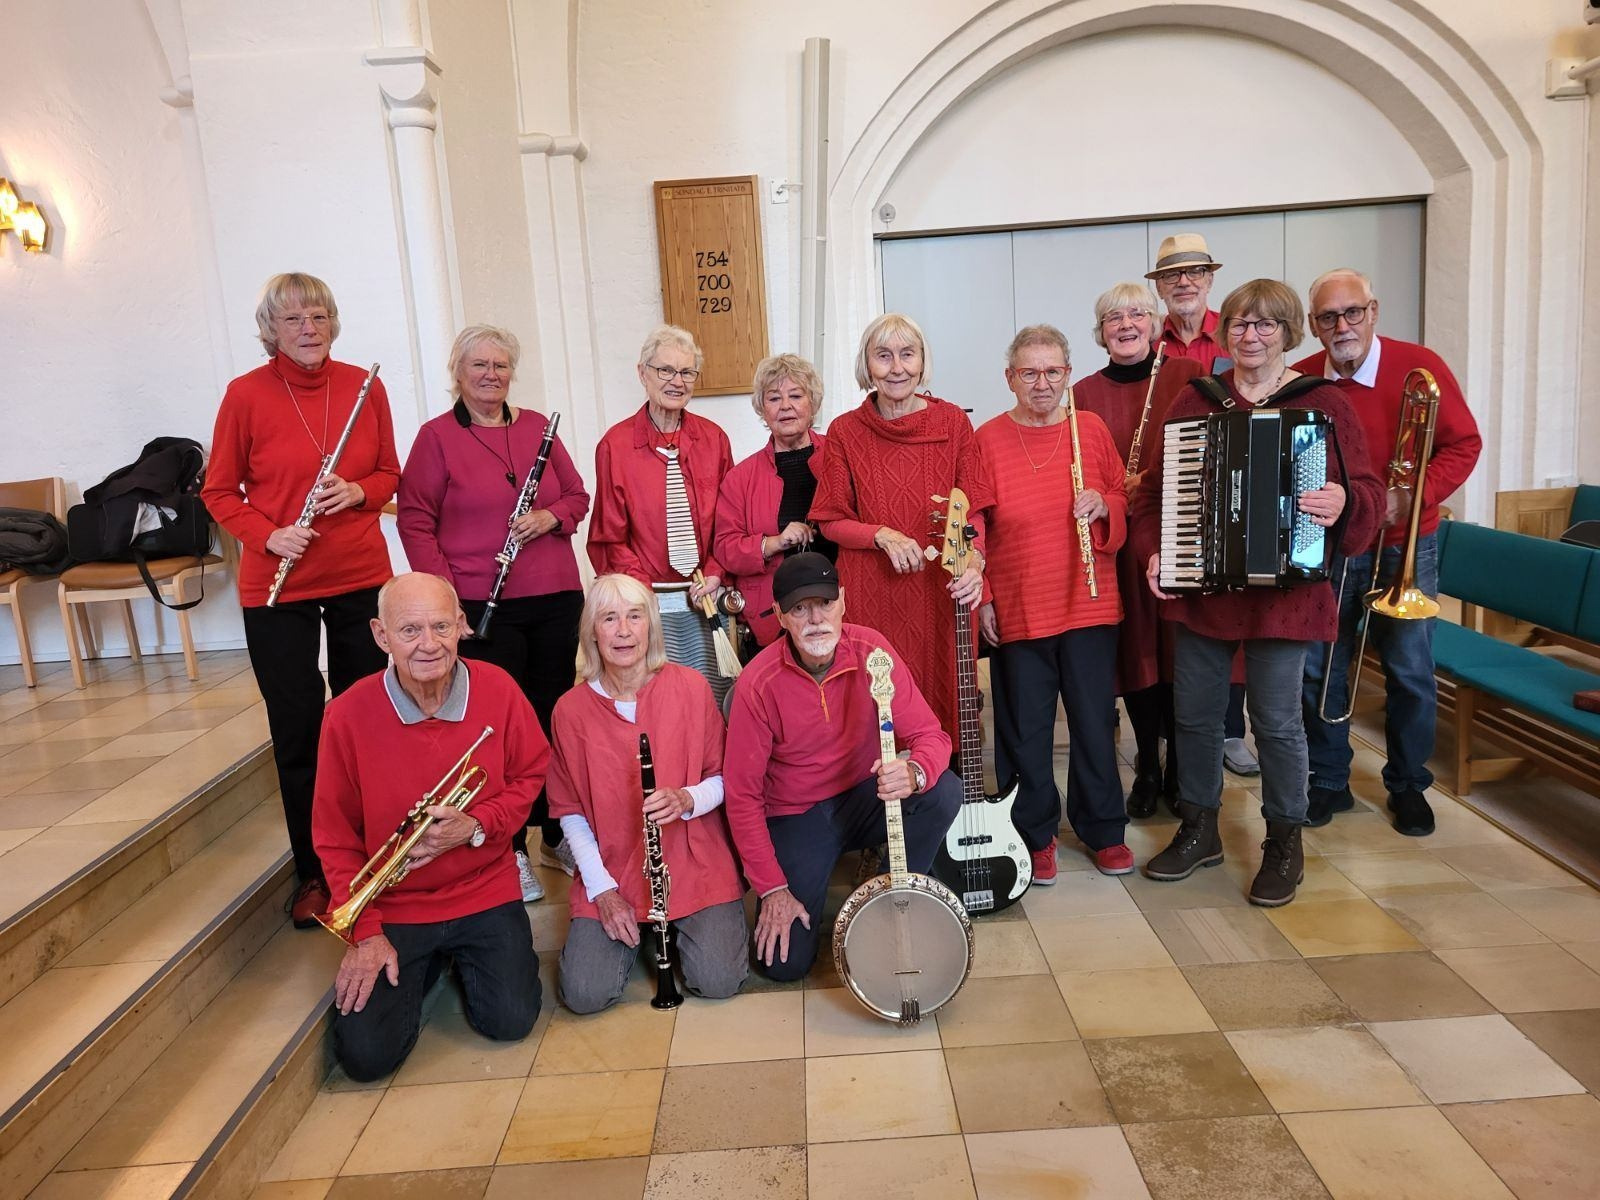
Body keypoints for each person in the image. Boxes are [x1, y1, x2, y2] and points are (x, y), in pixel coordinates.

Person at [1131, 279, 1384, 906]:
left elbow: (1371, 491)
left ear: (1288, 332)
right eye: (1241, 324)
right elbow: (1153, 495)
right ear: (1226, 332)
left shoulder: (1321, 402)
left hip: (1285, 594)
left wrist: (1344, 500)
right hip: (1204, 589)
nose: (1251, 336)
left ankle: (1283, 839)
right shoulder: (1196, 402)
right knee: (1193, 717)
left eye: (1266, 325)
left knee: (1275, 722)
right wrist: (1156, 550)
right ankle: (1199, 830)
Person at [203, 272, 398, 928]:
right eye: (293, 320)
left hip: (358, 574)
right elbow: (218, 491)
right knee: (299, 732)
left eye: (317, 316)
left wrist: (360, 492)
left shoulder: (363, 387)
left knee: (368, 722)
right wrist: (268, 534)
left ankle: (374, 858)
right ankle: (314, 871)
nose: (308, 328)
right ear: (271, 330)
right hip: (277, 583)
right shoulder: (245, 395)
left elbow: (390, 471)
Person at [312, 572, 547, 1081]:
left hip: (483, 889)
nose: (428, 644)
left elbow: (532, 772)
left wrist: (477, 825)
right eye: (410, 630)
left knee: (510, 1021)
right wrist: (366, 932)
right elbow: (333, 837)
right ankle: (434, 960)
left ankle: (448, 958)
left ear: (462, 625)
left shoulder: (499, 690)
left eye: (441, 625)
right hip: (395, 905)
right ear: (380, 636)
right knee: (365, 1058)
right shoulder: (346, 714)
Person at [397, 324, 590, 901]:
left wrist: (549, 518)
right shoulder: (436, 438)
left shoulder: (537, 428)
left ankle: (558, 834)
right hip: (483, 606)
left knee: (556, 713)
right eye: (479, 365)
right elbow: (415, 520)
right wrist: (446, 600)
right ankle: (506, 849)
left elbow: (577, 496)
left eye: (501, 365)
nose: (491, 375)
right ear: (458, 373)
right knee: (500, 728)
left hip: (555, 595)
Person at [1295, 269, 1482, 835]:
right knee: (1321, 669)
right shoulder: (1302, 378)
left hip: (1405, 546)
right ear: (1313, 326)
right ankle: (1328, 779)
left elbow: (1463, 443)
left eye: (1353, 312)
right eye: (1329, 317)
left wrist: (1410, 495)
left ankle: (1407, 784)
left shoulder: (1418, 368)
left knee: (1410, 672)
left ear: (1373, 311)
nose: (1342, 326)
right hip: (1330, 549)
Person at [724, 553, 962, 981]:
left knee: (943, 789)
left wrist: (914, 772)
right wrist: (772, 888)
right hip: (796, 816)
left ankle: (890, 899)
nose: (816, 619)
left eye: (825, 603)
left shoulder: (873, 652)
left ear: (844, 602)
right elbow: (742, 797)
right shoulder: (757, 684)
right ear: (779, 614)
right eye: (799, 608)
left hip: (863, 795)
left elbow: (932, 736)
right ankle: (807, 891)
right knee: (783, 965)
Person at [973, 325, 1132, 882]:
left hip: (1088, 603)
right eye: (1029, 372)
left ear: (1068, 374)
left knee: (1093, 724)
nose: (1042, 383)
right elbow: (972, 527)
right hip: (1018, 603)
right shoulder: (986, 438)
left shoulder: (1090, 429)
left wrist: (1105, 503)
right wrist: (984, 598)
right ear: (1009, 378)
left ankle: (1104, 829)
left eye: (1053, 372)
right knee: (1024, 730)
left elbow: (1120, 500)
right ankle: (1034, 834)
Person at [547, 575, 748, 1012]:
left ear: (651, 627)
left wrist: (687, 800)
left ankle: (679, 926)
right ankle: (641, 927)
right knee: (585, 995)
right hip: (614, 870)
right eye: (610, 619)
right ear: (592, 633)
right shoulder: (570, 711)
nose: (623, 631)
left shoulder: (691, 687)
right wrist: (603, 891)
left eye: (635, 617)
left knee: (719, 980)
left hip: (695, 861)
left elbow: (725, 777)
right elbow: (569, 811)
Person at [809, 313, 994, 744]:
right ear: (866, 365)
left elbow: (977, 510)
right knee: (877, 711)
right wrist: (882, 534)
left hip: (940, 588)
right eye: (884, 356)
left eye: (907, 355)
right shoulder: (845, 431)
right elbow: (830, 520)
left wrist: (977, 561)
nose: (897, 368)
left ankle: (944, 802)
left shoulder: (952, 423)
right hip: (873, 594)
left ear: (922, 360)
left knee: (946, 703)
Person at [1074, 284, 1204, 817]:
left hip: (1173, 533)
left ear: (1155, 324)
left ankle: (1181, 768)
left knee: (1178, 654)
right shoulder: (1081, 391)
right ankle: (1146, 766)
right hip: (1115, 544)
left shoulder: (1188, 375)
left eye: (1137, 314)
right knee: (1135, 659)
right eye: (1112, 318)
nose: (1125, 324)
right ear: (1100, 332)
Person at [1148, 235, 1258, 778]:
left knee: (1232, 615)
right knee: (1182, 623)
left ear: (1210, 279)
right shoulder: (1153, 346)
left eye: (1194, 273)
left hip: (1237, 491)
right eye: (1172, 276)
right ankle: (1182, 733)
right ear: (1161, 288)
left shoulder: (1238, 334)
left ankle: (1232, 729)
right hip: (1178, 492)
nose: (1184, 283)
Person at [588, 325, 736, 705]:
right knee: (655, 701)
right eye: (665, 370)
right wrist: (641, 595)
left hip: (704, 598)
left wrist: (717, 570)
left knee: (711, 699)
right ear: (643, 373)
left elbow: (730, 522)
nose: (676, 381)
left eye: (687, 373)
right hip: (646, 605)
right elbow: (609, 536)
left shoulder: (715, 439)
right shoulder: (615, 446)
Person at [713, 353, 834, 651]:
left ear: (813, 403)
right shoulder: (741, 478)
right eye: (774, 398)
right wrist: (774, 542)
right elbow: (725, 548)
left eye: (796, 395)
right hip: (771, 615)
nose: (786, 406)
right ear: (762, 409)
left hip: (838, 607)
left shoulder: (839, 458)